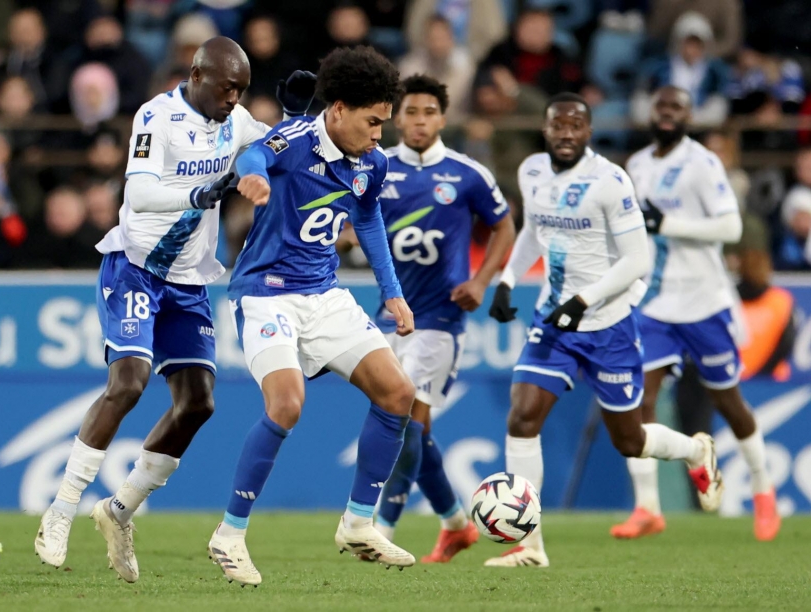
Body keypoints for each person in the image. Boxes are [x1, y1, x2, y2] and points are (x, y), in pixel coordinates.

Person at [34, 36, 315, 583]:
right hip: (136, 266)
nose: (234, 99)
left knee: (198, 403)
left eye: (241, 91)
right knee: (129, 382)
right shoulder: (156, 116)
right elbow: (139, 194)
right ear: (197, 75)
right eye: (227, 88)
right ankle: (61, 509)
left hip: (188, 282)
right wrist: (201, 193)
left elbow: (282, 149)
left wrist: (296, 117)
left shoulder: (236, 122)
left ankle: (119, 511)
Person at [207, 46, 416, 587]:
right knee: (287, 403)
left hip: (324, 295)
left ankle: (358, 524)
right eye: (373, 122)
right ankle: (229, 534)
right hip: (266, 293)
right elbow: (254, 156)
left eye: (384, 124)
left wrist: (392, 293)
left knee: (399, 394)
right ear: (339, 109)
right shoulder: (295, 138)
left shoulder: (372, 162)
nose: (379, 136)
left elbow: (368, 219)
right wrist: (254, 178)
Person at [486, 93, 723, 568]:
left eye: (575, 126)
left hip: (606, 325)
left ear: (589, 132)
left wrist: (584, 300)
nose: (566, 133)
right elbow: (533, 229)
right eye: (558, 125)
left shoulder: (610, 181)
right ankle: (530, 545)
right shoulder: (532, 171)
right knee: (522, 417)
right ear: (545, 130)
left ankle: (696, 450)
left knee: (629, 440)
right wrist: (508, 279)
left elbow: (638, 259)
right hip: (554, 321)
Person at [614, 85, 780, 541]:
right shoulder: (637, 164)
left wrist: (670, 224)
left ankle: (763, 489)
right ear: (651, 112)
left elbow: (731, 226)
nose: (667, 113)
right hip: (655, 303)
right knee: (638, 399)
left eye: (677, 107)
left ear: (689, 116)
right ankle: (648, 507)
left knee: (728, 401)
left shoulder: (703, 163)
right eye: (661, 106)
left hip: (704, 301)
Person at [361, 74, 515, 563]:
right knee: (413, 431)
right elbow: (352, 216)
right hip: (391, 315)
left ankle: (381, 527)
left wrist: (482, 281)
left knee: (406, 421)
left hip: (442, 318)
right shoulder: (377, 167)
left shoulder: (467, 174)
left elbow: (504, 226)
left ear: (443, 118)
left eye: (429, 112)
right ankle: (455, 525)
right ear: (397, 118)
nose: (419, 121)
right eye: (411, 112)